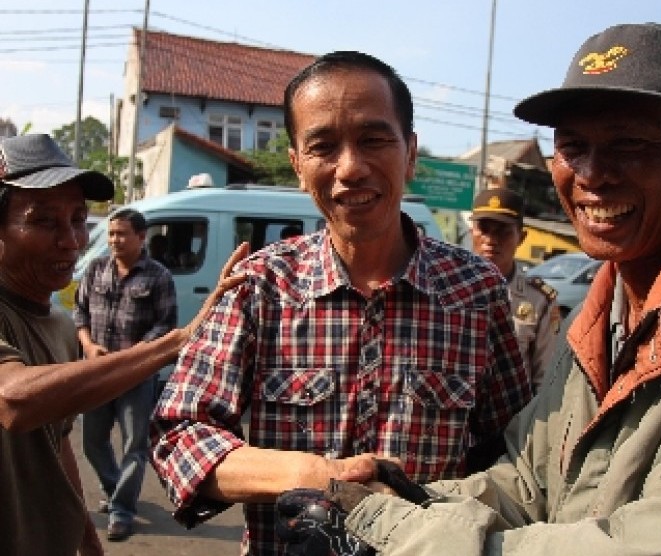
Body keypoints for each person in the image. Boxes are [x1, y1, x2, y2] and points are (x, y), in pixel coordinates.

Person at [297, 23, 661, 555]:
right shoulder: (598, 318)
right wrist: (404, 498)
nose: (593, 174)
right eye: (572, 146)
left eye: (630, 143)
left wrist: (397, 527)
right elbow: (529, 483)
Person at [149, 50, 533, 555]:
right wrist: (318, 475)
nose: (350, 168)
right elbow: (181, 438)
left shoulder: (477, 292)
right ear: (297, 165)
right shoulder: (261, 286)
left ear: (410, 152)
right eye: (323, 146)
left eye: (374, 140)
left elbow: (514, 459)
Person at [0, 133, 247, 556]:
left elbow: (56, 444)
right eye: (43, 221)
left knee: (133, 446)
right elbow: (15, 402)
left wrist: (86, 539)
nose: (72, 240)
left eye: (78, 219)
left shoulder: (56, 324)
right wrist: (177, 343)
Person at [74, 208, 178, 541]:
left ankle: (121, 510)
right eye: (111, 234)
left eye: (122, 234)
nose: (114, 240)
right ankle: (116, 487)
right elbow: (80, 313)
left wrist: (135, 355)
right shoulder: (95, 269)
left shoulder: (159, 276)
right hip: (98, 373)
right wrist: (89, 347)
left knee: (135, 446)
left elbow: (165, 324)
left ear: (141, 237)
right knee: (92, 441)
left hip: (135, 376)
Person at [469, 188, 560, 389]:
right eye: (484, 229)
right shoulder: (447, 289)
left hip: (514, 417)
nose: (491, 240)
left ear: (522, 237)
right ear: (471, 232)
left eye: (503, 231)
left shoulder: (539, 300)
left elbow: (545, 378)